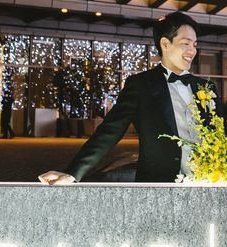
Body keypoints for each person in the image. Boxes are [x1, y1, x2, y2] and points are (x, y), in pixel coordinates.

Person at [39, 11, 204, 184]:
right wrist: (73, 173)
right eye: (186, 43)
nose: (192, 51)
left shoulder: (206, 88)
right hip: (158, 184)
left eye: (195, 44)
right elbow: (110, 130)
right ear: (165, 44)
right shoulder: (141, 85)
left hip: (206, 183)